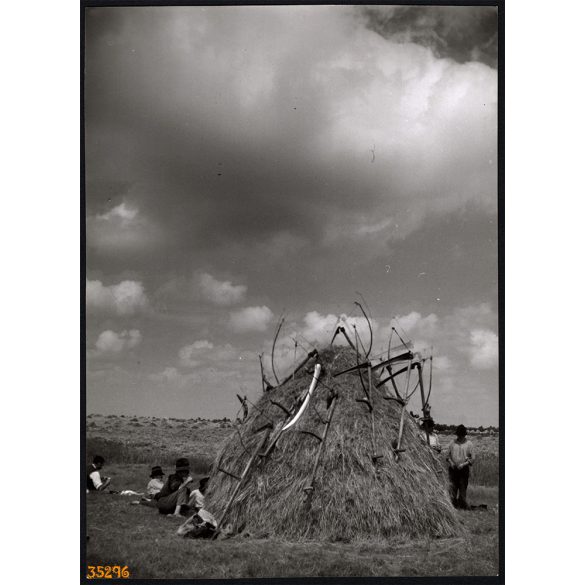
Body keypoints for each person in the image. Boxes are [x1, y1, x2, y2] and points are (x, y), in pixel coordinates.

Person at [446, 424, 475, 509]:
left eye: (461, 435)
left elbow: (473, 458)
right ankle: (453, 506)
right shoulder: (452, 443)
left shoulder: (469, 444)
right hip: (453, 470)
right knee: (453, 489)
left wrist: (463, 464)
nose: (460, 436)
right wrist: (451, 463)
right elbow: (447, 456)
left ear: (464, 434)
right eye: (459, 435)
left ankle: (462, 505)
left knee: (462, 489)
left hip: (463, 470)